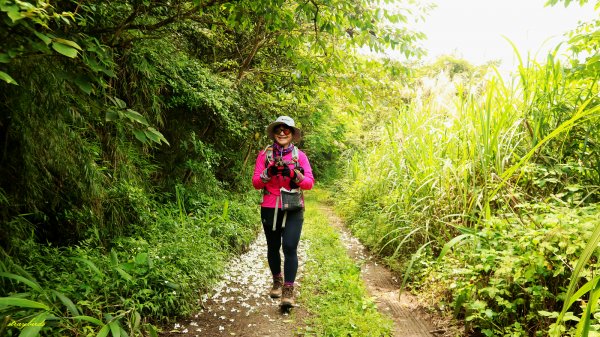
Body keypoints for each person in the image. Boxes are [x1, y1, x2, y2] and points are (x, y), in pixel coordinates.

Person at [252, 116, 314, 308]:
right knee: (272, 246)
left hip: (293, 206)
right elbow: (256, 183)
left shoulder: (300, 156)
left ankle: (288, 290)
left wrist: (295, 175)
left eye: (286, 130)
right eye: (278, 130)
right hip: (270, 205)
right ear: (274, 133)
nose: (282, 133)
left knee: (289, 247)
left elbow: (309, 183)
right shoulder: (265, 155)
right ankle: (277, 281)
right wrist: (268, 173)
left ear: (292, 134)